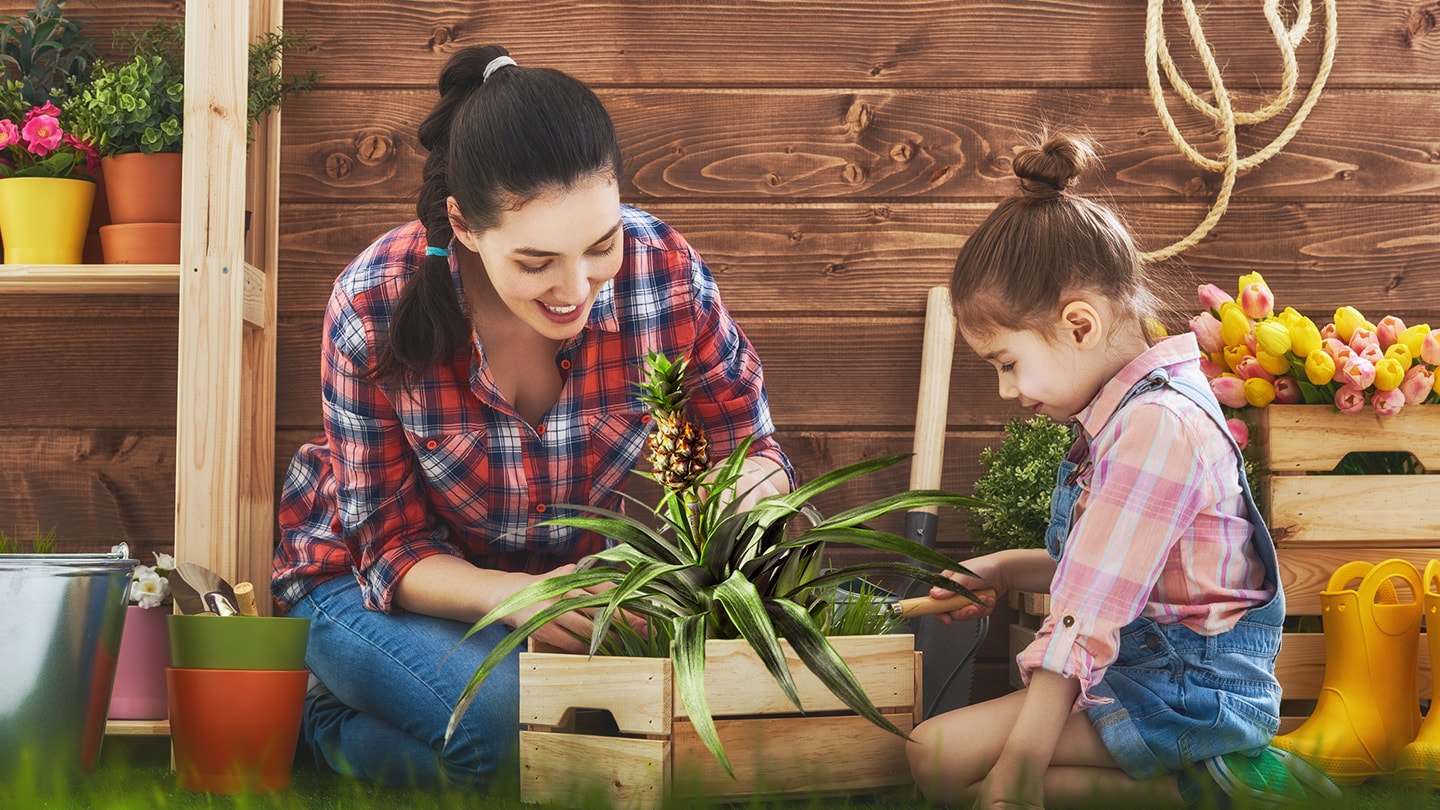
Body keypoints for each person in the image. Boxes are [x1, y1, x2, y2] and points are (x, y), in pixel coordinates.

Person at [270, 44, 793, 791]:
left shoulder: (665, 272)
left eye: (600, 245)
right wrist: (517, 599)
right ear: (467, 225)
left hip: (557, 595)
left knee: (610, 745)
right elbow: (389, 549)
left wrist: (743, 502)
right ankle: (326, 728)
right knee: (515, 733)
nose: (575, 288)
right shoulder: (372, 300)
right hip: (359, 584)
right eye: (536, 261)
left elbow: (750, 443)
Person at [905, 134, 1339, 808]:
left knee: (942, 760)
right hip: (1145, 681)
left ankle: (1231, 792)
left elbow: (1091, 609)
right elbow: (1127, 576)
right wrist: (1006, 568)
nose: (1006, 391)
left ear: (1079, 325)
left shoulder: (1154, 428)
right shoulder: (1131, 415)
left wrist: (1020, 762)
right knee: (948, 767)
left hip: (1188, 701)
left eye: (1007, 363)